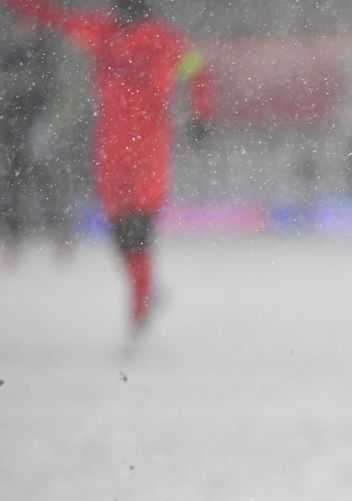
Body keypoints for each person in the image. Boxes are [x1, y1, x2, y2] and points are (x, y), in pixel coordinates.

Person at [3, 0, 213, 330]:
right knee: (120, 231)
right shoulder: (103, 32)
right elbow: (55, 18)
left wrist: (202, 112)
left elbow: (197, 70)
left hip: (148, 150)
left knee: (138, 227)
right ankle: (143, 290)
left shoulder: (164, 40)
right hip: (111, 151)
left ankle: (140, 302)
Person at [0, 15, 56, 267]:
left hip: (35, 129)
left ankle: (59, 233)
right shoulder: (6, 58)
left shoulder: (42, 58)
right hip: (10, 131)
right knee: (12, 186)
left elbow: (51, 95)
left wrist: (46, 124)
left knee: (47, 181)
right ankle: (13, 239)